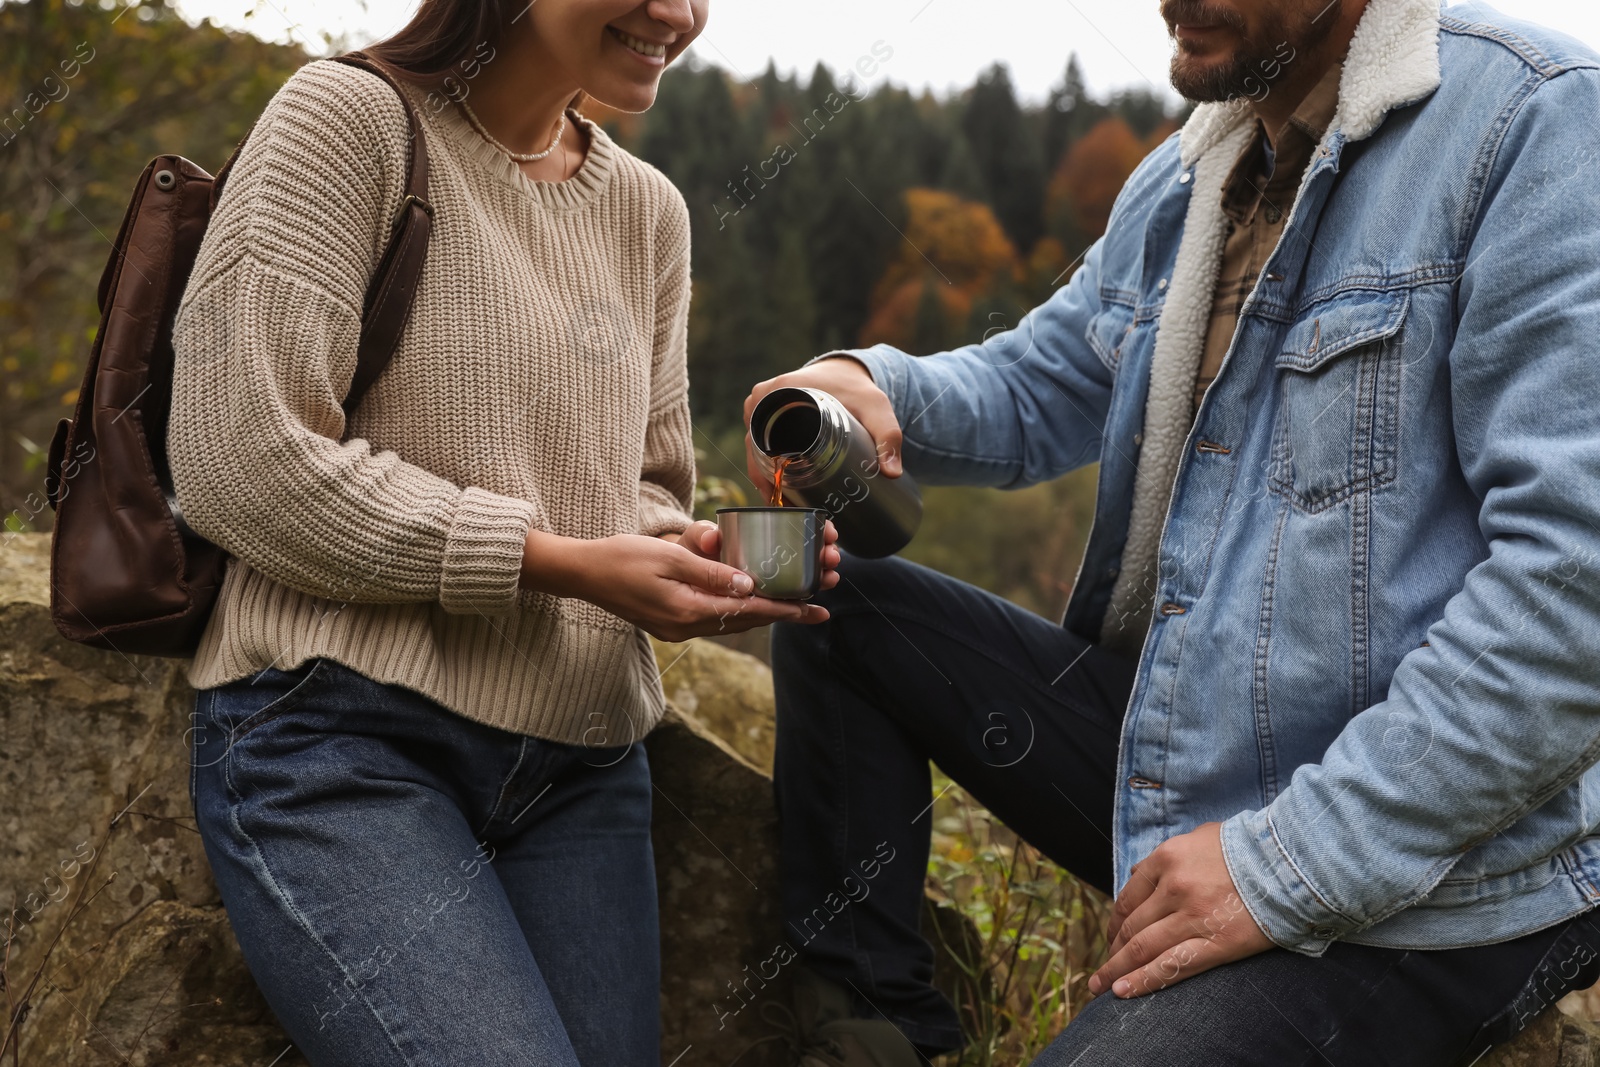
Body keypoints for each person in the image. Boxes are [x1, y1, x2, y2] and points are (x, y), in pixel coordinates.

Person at [747, 0, 1600, 1063]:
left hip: (1443, 867)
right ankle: (873, 1040)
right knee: (842, 606)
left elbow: (1574, 584)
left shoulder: (1536, 121)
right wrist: (862, 383)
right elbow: (1035, 380)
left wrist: (1280, 864)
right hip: (1197, 759)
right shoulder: (1194, 170)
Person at [167, 0, 838, 1063]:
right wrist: (557, 561)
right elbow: (240, 460)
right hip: (343, 740)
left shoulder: (648, 212)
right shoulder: (348, 120)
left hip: (584, 767)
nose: (677, 12)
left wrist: (700, 563)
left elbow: (643, 493)